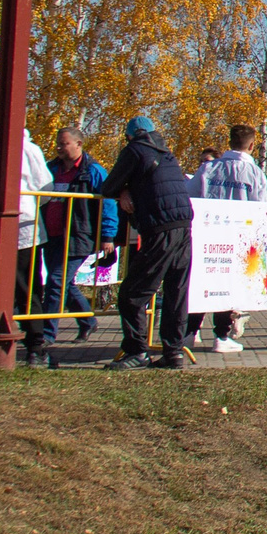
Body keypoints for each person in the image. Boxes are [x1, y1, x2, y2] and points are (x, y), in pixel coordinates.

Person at [95, 115, 195, 369]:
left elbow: (108, 186)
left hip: (159, 228)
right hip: (184, 226)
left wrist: (122, 190)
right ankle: (174, 352)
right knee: (176, 292)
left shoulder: (134, 150)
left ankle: (137, 351)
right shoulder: (167, 153)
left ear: (130, 136)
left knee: (132, 293)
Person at [0, 119, 57, 364]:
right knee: (28, 289)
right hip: (22, 229)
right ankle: (35, 348)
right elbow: (46, 188)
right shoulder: (28, 149)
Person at [192, 126, 267, 351]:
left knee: (202, 284)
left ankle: (190, 332)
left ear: (229, 142)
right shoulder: (254, 173)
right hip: (239, 240)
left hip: (208, 236)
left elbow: (190, 195)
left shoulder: (209, 168)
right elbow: (265, 207)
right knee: (228, 287)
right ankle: (221, 336)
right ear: (252, 145)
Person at [38, 128, 115, 354]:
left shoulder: (93, 171)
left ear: (78, 144)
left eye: (63, 144)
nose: (59, 148)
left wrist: (108, 236)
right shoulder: (51, 169)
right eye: (58, 143)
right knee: (65, 283)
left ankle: (47, 334)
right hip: (50, 235)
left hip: (77, 236)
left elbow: (108, 202)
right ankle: (88, 321)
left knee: (56, 281)